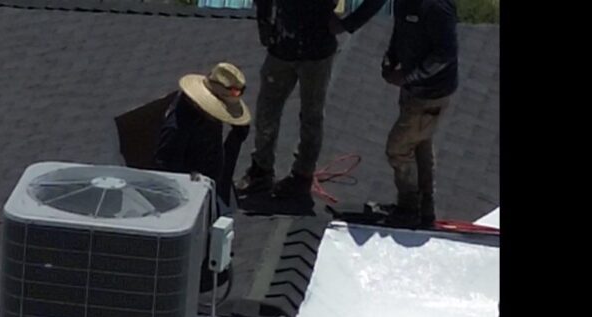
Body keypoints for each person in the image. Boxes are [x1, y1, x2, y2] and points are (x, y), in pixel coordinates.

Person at [238, 0, 387, 201]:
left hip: (317, 51)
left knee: (311, 116)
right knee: (267, 110)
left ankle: (302, 176)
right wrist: (264, 25)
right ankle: (261, 171)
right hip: (282, 47)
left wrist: (348, 24)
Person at [378, 0, 460, 228]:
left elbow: (446, 53)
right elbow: (400, 32)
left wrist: (409, 76)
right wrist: (390, 59)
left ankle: (408, 207)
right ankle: (424, 209)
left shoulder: (436, 6)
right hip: (413, 92)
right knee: (420, 144)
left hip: (430, 94)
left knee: (398, 149)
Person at [157, 63, 252, 212]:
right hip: (191, 200)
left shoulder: (205, 116)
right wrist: (193, 181)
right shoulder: (177, 129)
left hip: (212, 187)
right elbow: (167, 172)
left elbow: (219, 164)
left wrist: (235, 139)